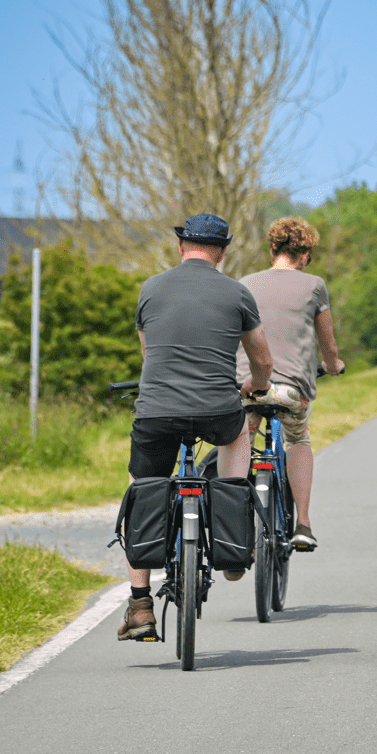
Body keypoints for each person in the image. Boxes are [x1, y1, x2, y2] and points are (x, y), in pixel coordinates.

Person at [119, 213, 274, 641]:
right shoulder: (237, 292)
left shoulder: (150, 289)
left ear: (181, 247)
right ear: (221, 251)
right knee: (238, 433)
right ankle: (231, 541)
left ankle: (140, 605)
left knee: (143, 486)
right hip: (217, 409)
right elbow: (262, 361)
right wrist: (255, 387)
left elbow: (150, 357)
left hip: (157, 410)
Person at [237, 216, 345, 551]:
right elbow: (327, 345)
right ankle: (303, 523)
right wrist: (333, 365)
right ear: (306, 253)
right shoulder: (314, 285)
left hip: (246, 386)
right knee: (298, 440)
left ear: (273, 248)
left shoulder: (244, 283)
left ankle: (234, 522)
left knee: (240, 441)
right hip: (291, 390)